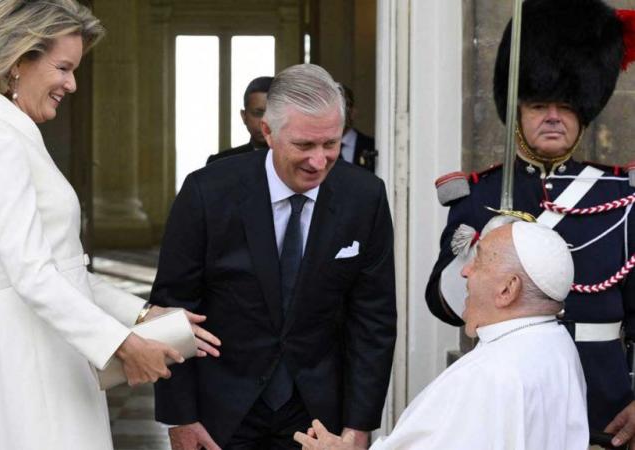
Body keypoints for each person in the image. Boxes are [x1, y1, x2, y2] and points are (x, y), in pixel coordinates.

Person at [0, 1, 219, 449]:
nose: (71, 84)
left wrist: (140, 314)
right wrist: (124, 345)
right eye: (63, 68)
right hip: (27, 347)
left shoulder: (11, 134)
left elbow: (62, 269)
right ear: (19, 61)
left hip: (52, 340)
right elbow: (33, 275)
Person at [151, 63, 396, 449]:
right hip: (222, 413)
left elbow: (374, 319)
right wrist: (180, 416)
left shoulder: (365, 198)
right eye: (304, 145)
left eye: (330, 144)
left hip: (318, 416)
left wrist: (359, 426)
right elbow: (171, 309)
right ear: (267, 131)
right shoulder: (207, 192)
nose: (319, 161)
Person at [426, 0, 635, 447]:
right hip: (507, 405)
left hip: (604, 408)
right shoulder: (477, 195)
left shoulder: (620, 197)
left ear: (584, 112)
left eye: (566, 106)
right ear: (517, 113)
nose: (553, 116)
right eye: (539, 104)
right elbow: (444, 304)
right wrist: (479, 249)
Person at [296, 221, 589, 450]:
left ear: (507, 290)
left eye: (480, 260)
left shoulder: (488, 374)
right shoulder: (556, 343)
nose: (465, 272)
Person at [206, 76, 273, 164]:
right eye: (258, 113)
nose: (265, 122)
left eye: (273, 113)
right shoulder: (219, 163)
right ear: (244, 116)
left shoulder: (296, 160)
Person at [339, 85, 376, 173]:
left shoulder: (372, 146)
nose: (337, 113)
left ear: (353, 112)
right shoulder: (318, 147)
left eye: (342, 106)